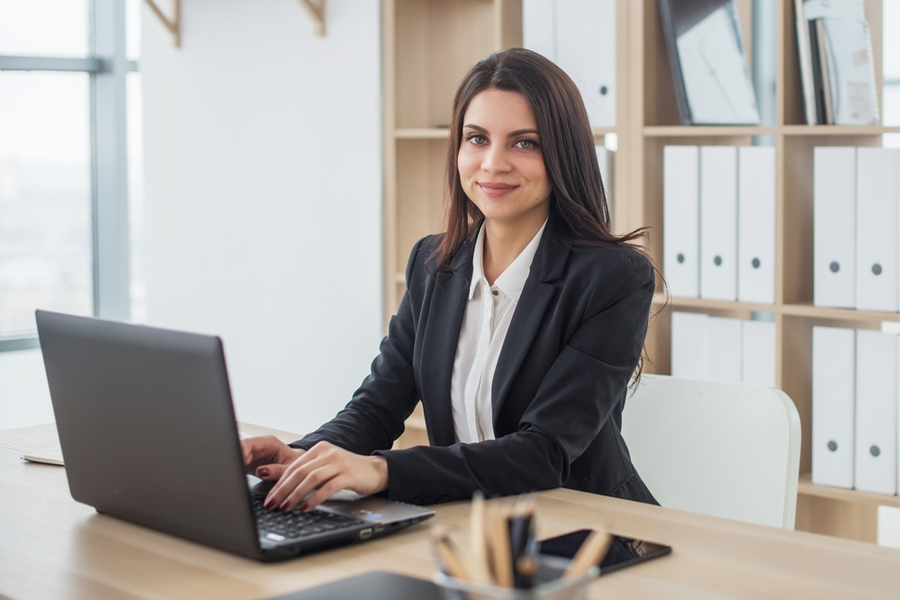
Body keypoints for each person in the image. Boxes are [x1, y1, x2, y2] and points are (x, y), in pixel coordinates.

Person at [242, 48, 657, 514]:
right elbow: (378, 405)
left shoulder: (614, 279)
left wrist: (382, 471)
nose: (493, 164)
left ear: (563, 153)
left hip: (581, 531)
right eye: (477, 138)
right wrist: (302, 457)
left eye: (525, 143)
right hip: (466, 526)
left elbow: (545, 452)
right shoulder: (432, 263)